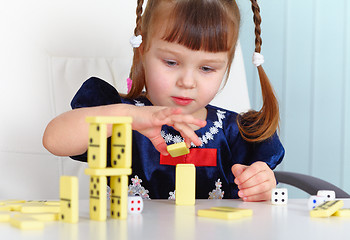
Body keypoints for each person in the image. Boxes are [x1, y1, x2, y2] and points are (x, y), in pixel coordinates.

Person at [43, 0, 284, 202]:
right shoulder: (121, 119)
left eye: (207, 68)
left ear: (226, 67)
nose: (187, 82)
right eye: (171, 62)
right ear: (143, 50)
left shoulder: (234, 132)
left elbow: (255, 203)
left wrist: (260, 184)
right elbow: (54, 140)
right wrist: (128, 117)